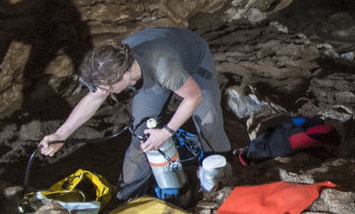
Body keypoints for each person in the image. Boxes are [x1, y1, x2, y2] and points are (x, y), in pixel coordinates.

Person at [37, 29, 228, 193]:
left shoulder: (162, 67)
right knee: (141, 136)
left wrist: (166, 131)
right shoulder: (114, 67)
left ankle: (221, 177)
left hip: (193, 58)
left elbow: (194, 97)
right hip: (154, 69)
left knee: (208, 120)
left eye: (109, 88)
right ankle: (128, 192)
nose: (106, 93)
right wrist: (61, 135)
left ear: (126, 74)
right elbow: (94, 97)